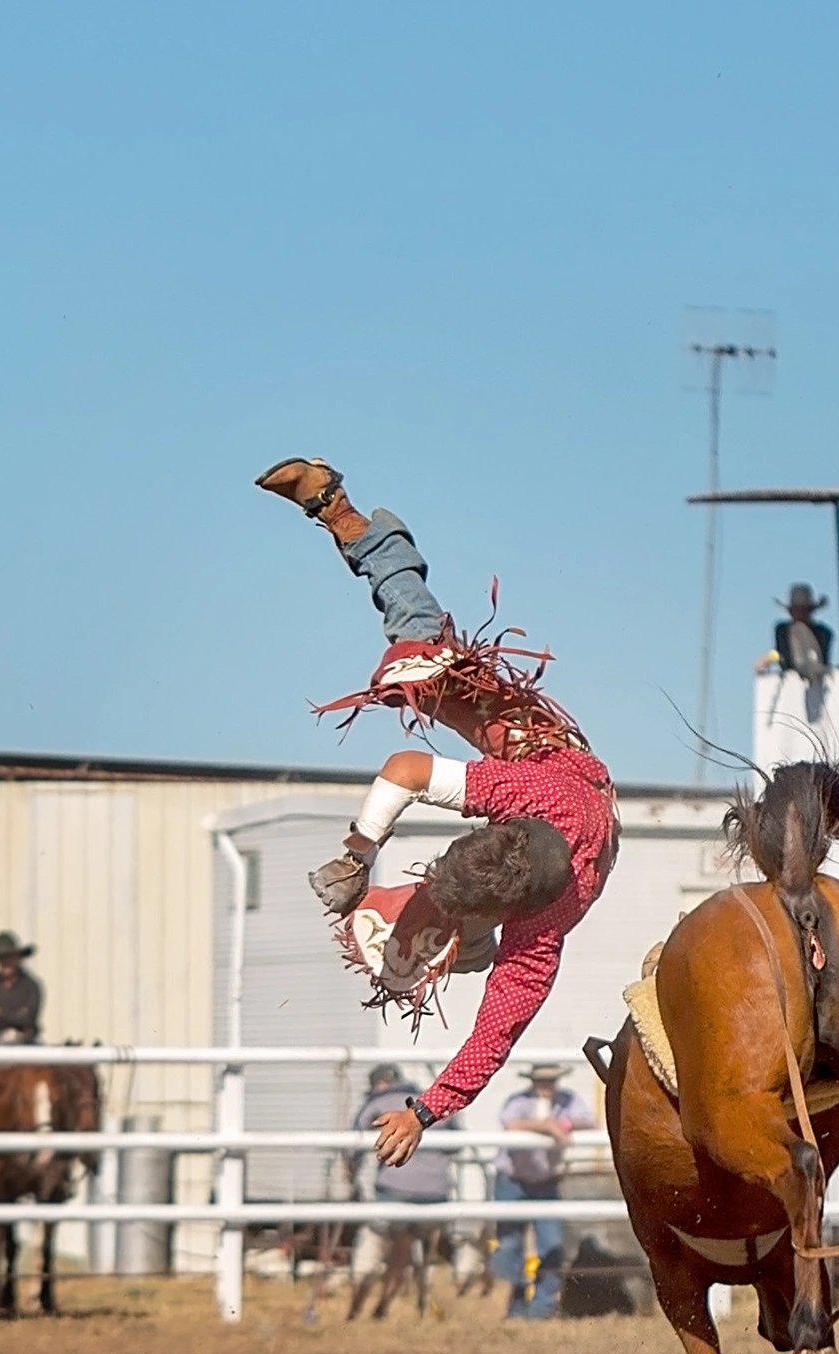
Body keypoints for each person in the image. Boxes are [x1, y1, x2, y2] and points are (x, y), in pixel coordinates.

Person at [256, 458, 617, 1170]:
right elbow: (407, 770)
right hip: (554, 760)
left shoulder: (536, 936)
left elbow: (495, 1032)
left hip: (569, 821)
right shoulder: (529, 790)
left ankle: (360, 530)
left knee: (424, 658)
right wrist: (357, 855)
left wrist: (427, 1108)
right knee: (427, 664)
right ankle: (352, 524)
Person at [489, 1063, 595, 1320]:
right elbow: (510, 1123)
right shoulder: (520, 1101)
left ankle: (541, 1309)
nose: (546, 1087)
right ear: (533, 1082)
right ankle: (515, 1307)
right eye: (541, 1081)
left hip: (545, 1181)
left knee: (551, 1245)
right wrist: (548, 1127)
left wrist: (563, 1124)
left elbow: (589, 1121)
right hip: (513, 1180)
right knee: (509, 1245)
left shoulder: (567, 1101)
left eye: (551, 1081)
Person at [351, 1063, 452, 1319]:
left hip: (393, 1190)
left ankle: (354, 1311)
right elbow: (456, 1145)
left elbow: (354, 1145)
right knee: (403, 1254)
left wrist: (351, 1174)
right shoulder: (437, 1099)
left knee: (372, 1248)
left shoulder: (377, 1103)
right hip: (434, 1193)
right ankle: (382, 1309)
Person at [0, 932, 43, 1043]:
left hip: (27, 1042)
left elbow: (29, 1019)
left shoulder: (30, 985)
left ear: (18, 958)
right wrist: (16, 1014)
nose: (5, 962)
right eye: (1, 959)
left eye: (9, 957)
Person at [768, 584, 832, 677]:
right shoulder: (782, 631)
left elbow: (824, 659)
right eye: (796, 610)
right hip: (791, 676)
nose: (800, 614)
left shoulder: (823, 633)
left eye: (804, 610)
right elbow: (779, 653)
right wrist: (767, 659)